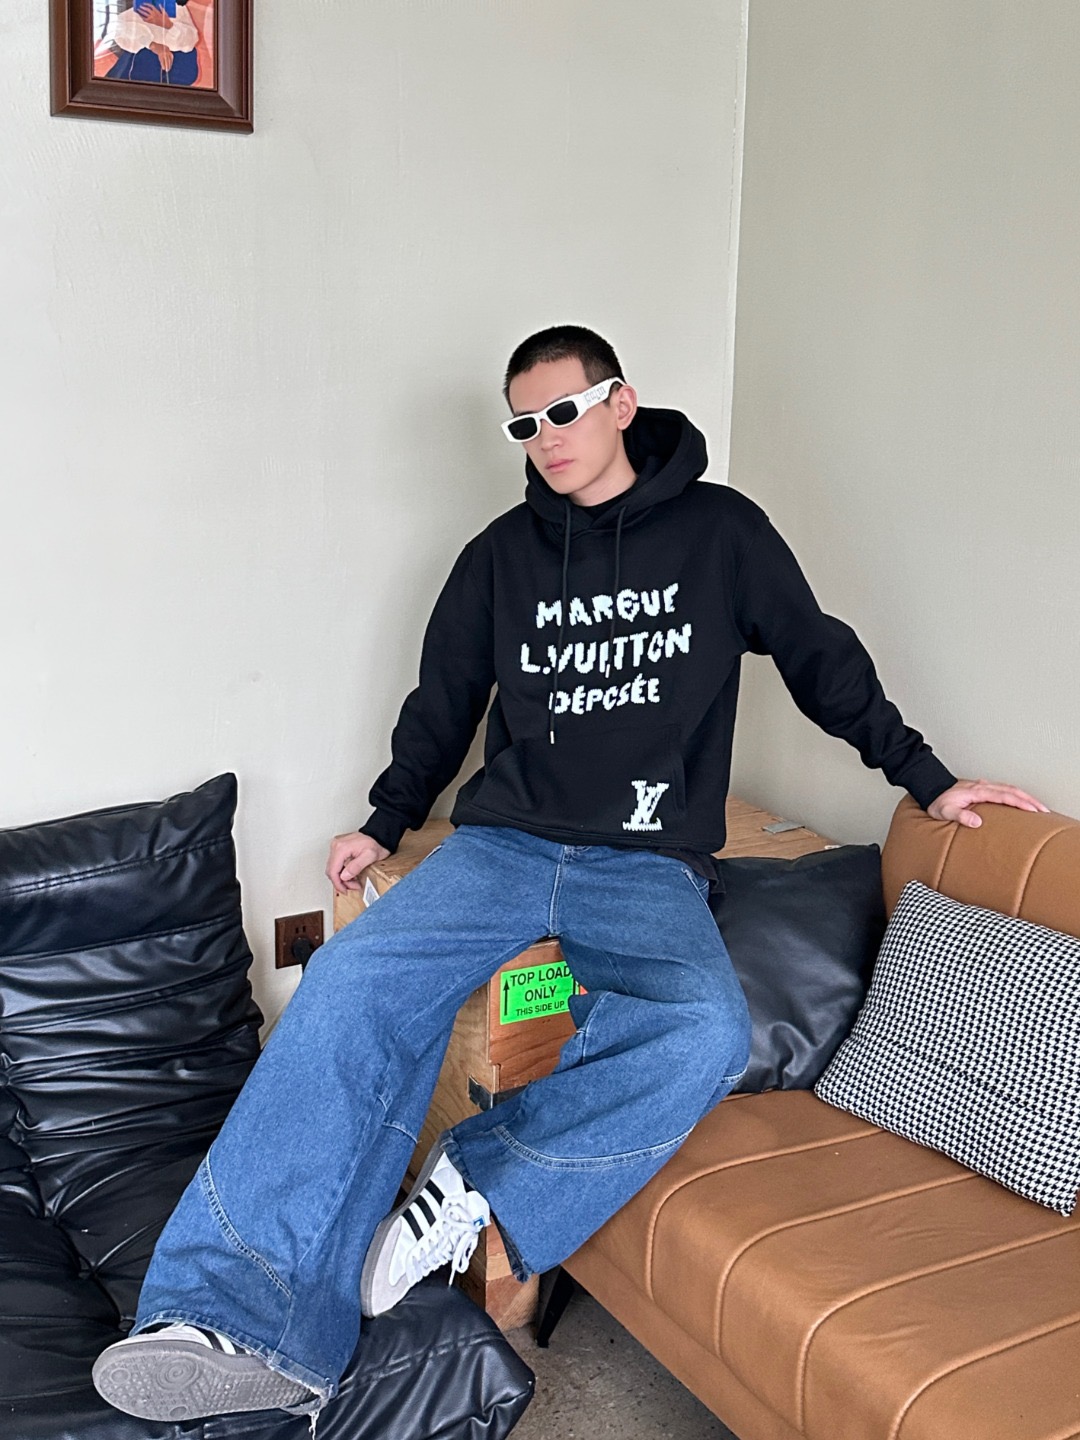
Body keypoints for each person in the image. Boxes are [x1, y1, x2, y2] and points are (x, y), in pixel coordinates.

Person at [92, 326, 1047, 1424]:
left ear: (620, 403)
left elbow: (820, 659)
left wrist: (930, 780)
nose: (544, 438)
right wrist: (385, 820)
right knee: (351, 985)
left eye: (563, 411)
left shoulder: (722, 532)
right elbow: (442, 703)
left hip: (645, 863)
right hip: (502, 845)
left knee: (703, 1030)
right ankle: (222, 1318)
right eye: (523, 424)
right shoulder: (499, 556)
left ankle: (476, 1180)